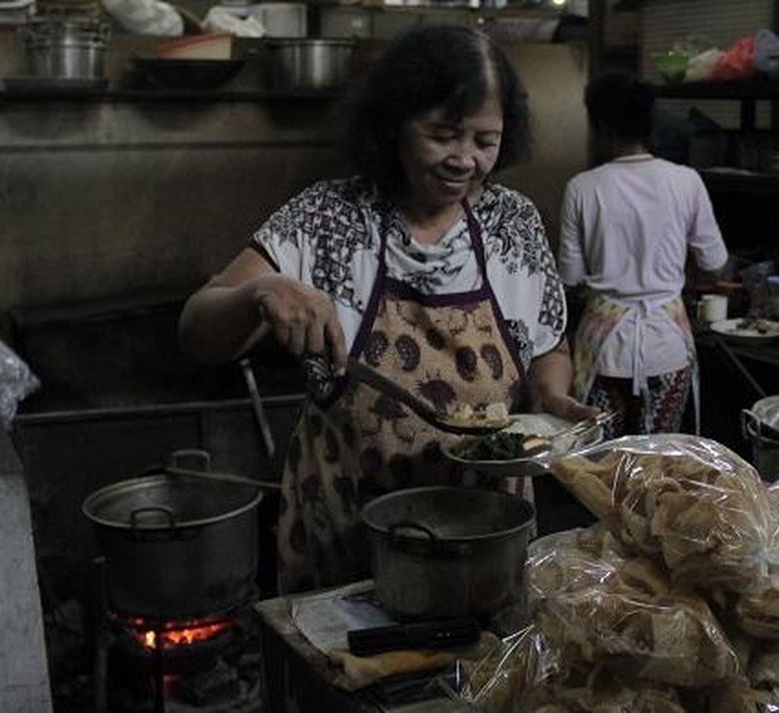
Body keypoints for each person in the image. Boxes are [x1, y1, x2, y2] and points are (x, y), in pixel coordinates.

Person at [179, 25, 596, 594]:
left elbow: (547, 342)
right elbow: (197, 332)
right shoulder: (328, 218)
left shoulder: (512, 223)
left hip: (483, 532)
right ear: (393, 124)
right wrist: (261, 291)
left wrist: (548, 397)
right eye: (444, 135)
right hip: (346, 532)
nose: (465, 160)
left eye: (485, 140)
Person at [557, 70, 728, 438]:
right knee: (658, 463)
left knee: (601, 465)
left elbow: (569, 277)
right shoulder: (686, 180)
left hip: (602, 348)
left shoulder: (582, 187)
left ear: (599, 126)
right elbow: (715, 264)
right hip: (667, 346)